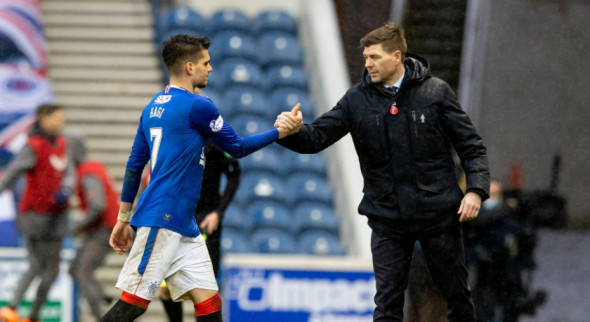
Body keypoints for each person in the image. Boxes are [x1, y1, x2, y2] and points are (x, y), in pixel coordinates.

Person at [274, 22, 490, 321]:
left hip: (438, 214)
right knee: (387, 306)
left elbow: (472, 147)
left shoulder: (436, 92)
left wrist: (476, 191)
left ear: (397, 56)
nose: (367, 64)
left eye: (374, 57)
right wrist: (292, 132)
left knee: (456, 295)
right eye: (365, 57)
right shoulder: (356, 100)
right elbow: (317, 137)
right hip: (387, 218)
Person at [100, 34, 300, 322]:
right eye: (206, 62)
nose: (211, 68)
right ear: (189, 67)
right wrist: (280, 133)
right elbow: (238, 147)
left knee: (209, 303)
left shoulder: (153, 107)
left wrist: (122, 218)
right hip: (163, 217)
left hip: (185, 225)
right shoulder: (198, 106)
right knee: (134, 303)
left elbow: (134, 166)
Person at [0, 104, 74, 322]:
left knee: (45, 269)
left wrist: (67, 189)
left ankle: (20, 311)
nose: (62, 121)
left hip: (56, 216)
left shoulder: (62, 143)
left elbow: (69, 172)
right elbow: (12, 172)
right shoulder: (33, 145)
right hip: (35, 216)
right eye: (57, 118)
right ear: (43, 119)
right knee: (44, 267)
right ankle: (17, 310)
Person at [159, 138, 241, 322]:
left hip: (206, 221)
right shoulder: (178, 138)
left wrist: (218, 213)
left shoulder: (218, 140)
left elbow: (235, 176)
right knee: (165, 288)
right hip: (178, 220)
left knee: (204, 289)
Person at [65, 133, 118, 320]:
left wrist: (76, 227)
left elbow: (98, 206)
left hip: (104, 229)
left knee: (83, 272)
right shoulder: (92, 167)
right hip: (101, 228)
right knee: (74, 269)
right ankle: (102, 295)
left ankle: (101, 316)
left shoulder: (87, 172)